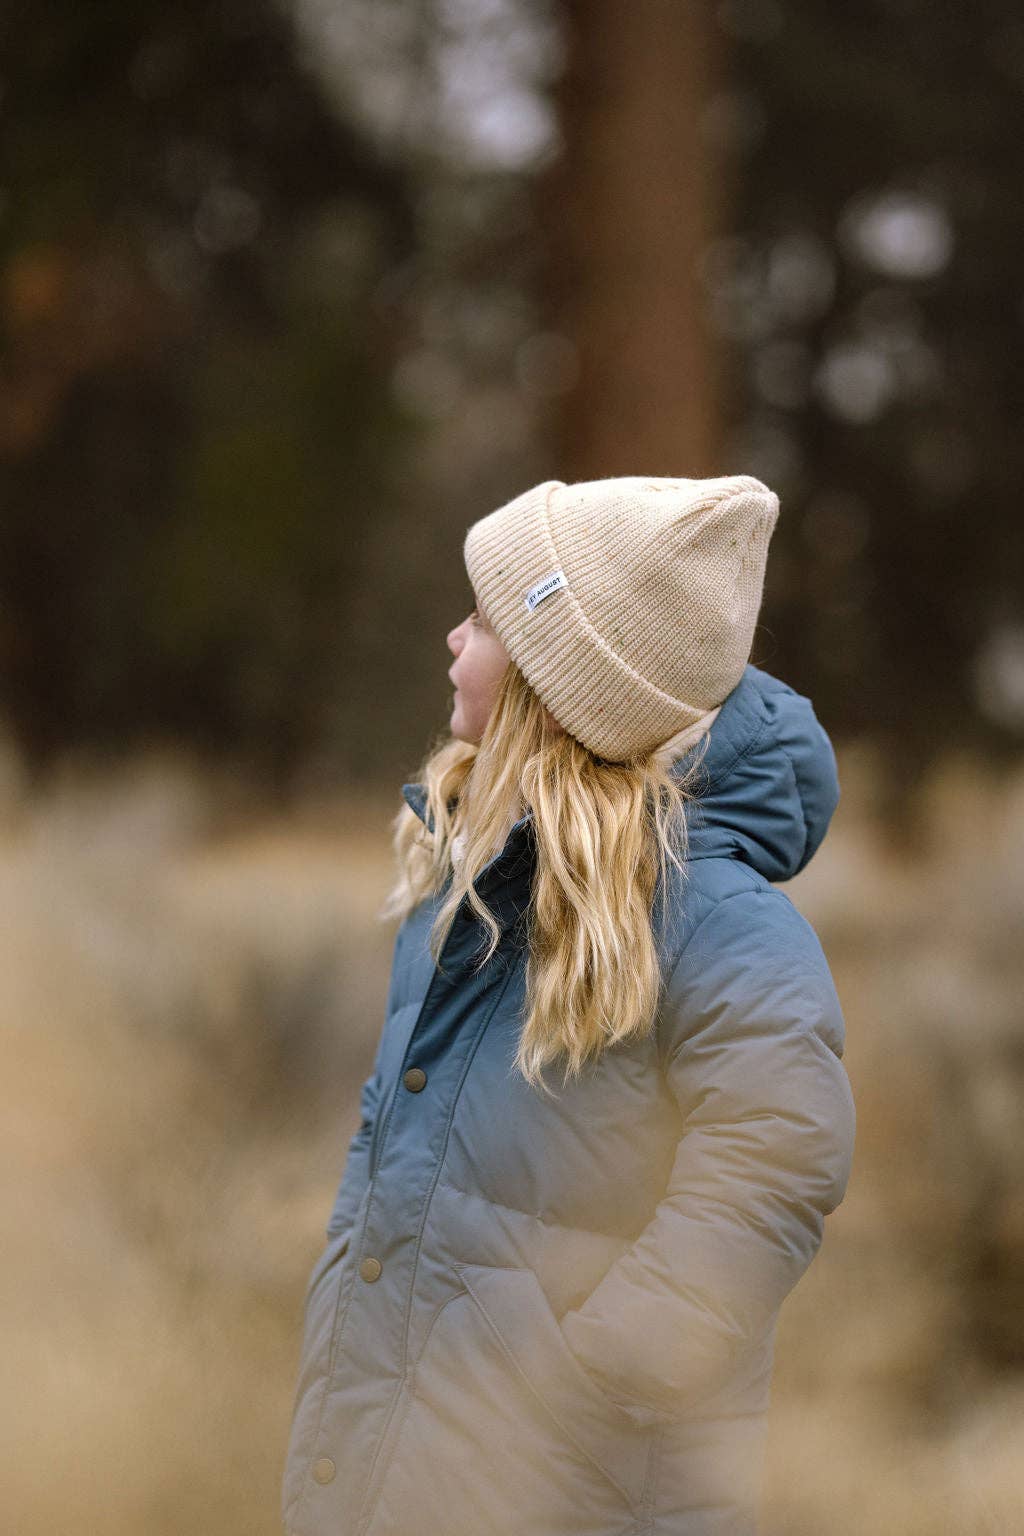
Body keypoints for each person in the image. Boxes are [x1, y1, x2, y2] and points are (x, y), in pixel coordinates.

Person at [280, 474, 856, 1536]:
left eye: (485, 618)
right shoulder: (473, 892)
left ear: (559, 685)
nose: (453, 637)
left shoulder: (720, 922)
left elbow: (779, 1163)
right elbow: (397, 1148)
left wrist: (580, 1389)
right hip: (395, 1464)